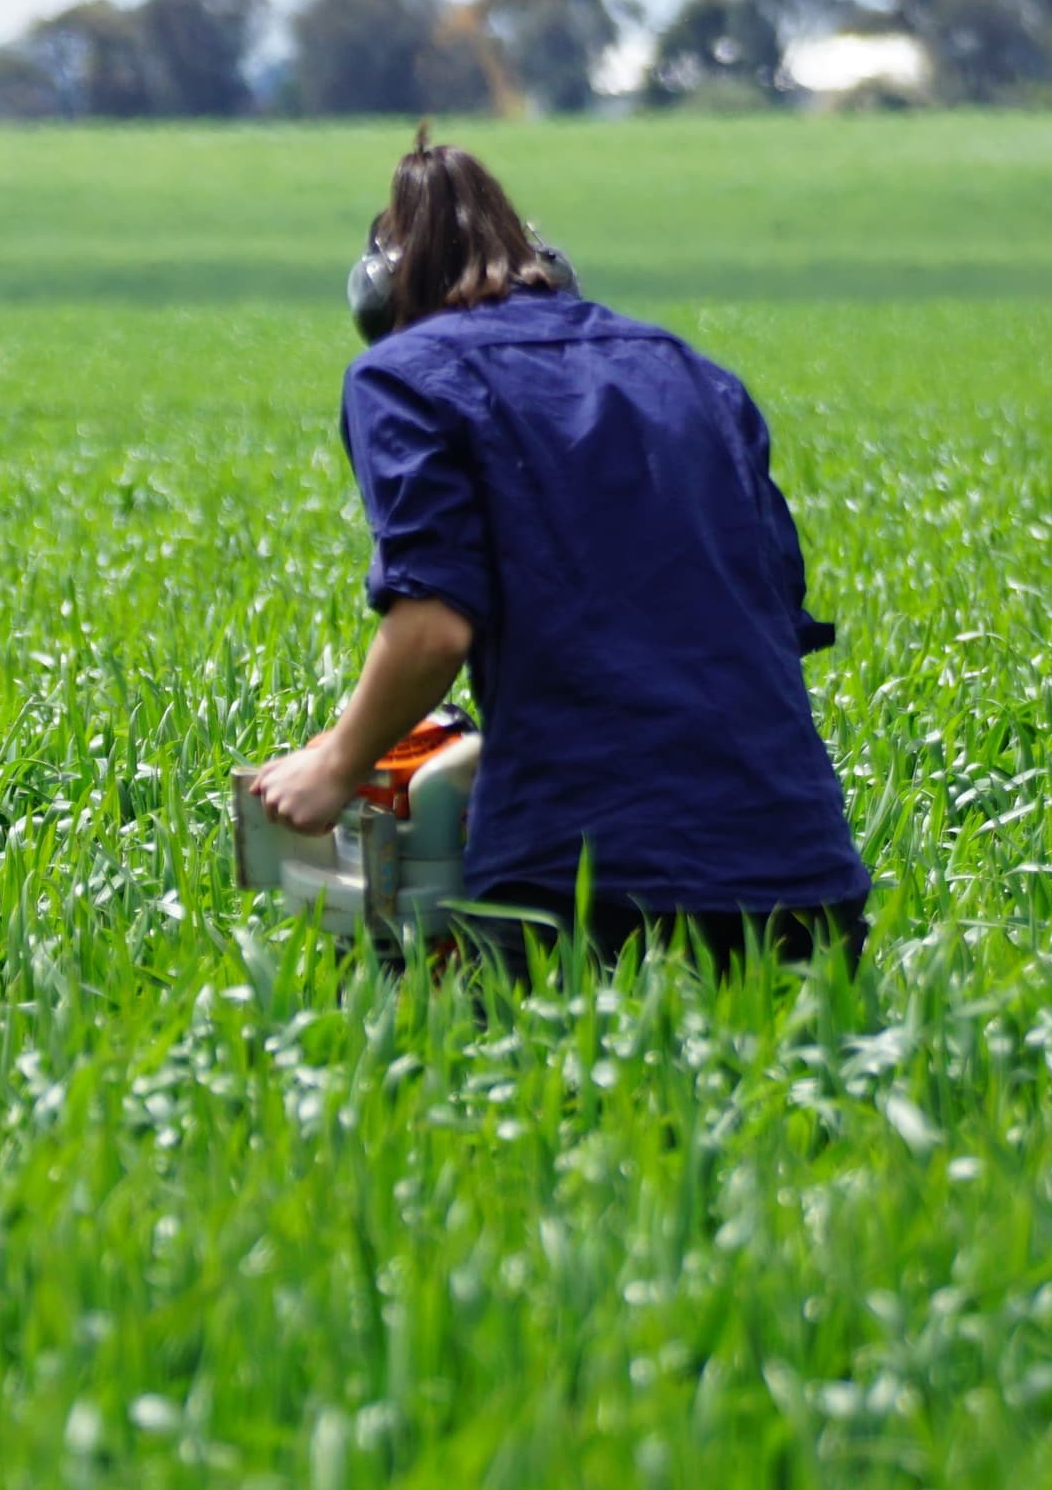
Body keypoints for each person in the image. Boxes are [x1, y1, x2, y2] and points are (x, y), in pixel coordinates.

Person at [247, 130, 869, 978]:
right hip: (800, 870)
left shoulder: (400, 375)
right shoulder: (691, 370)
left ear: (381, 300)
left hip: (586, 883)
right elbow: (768, 612)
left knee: (489, 1093)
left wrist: (336, 763)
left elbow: (433, 625)